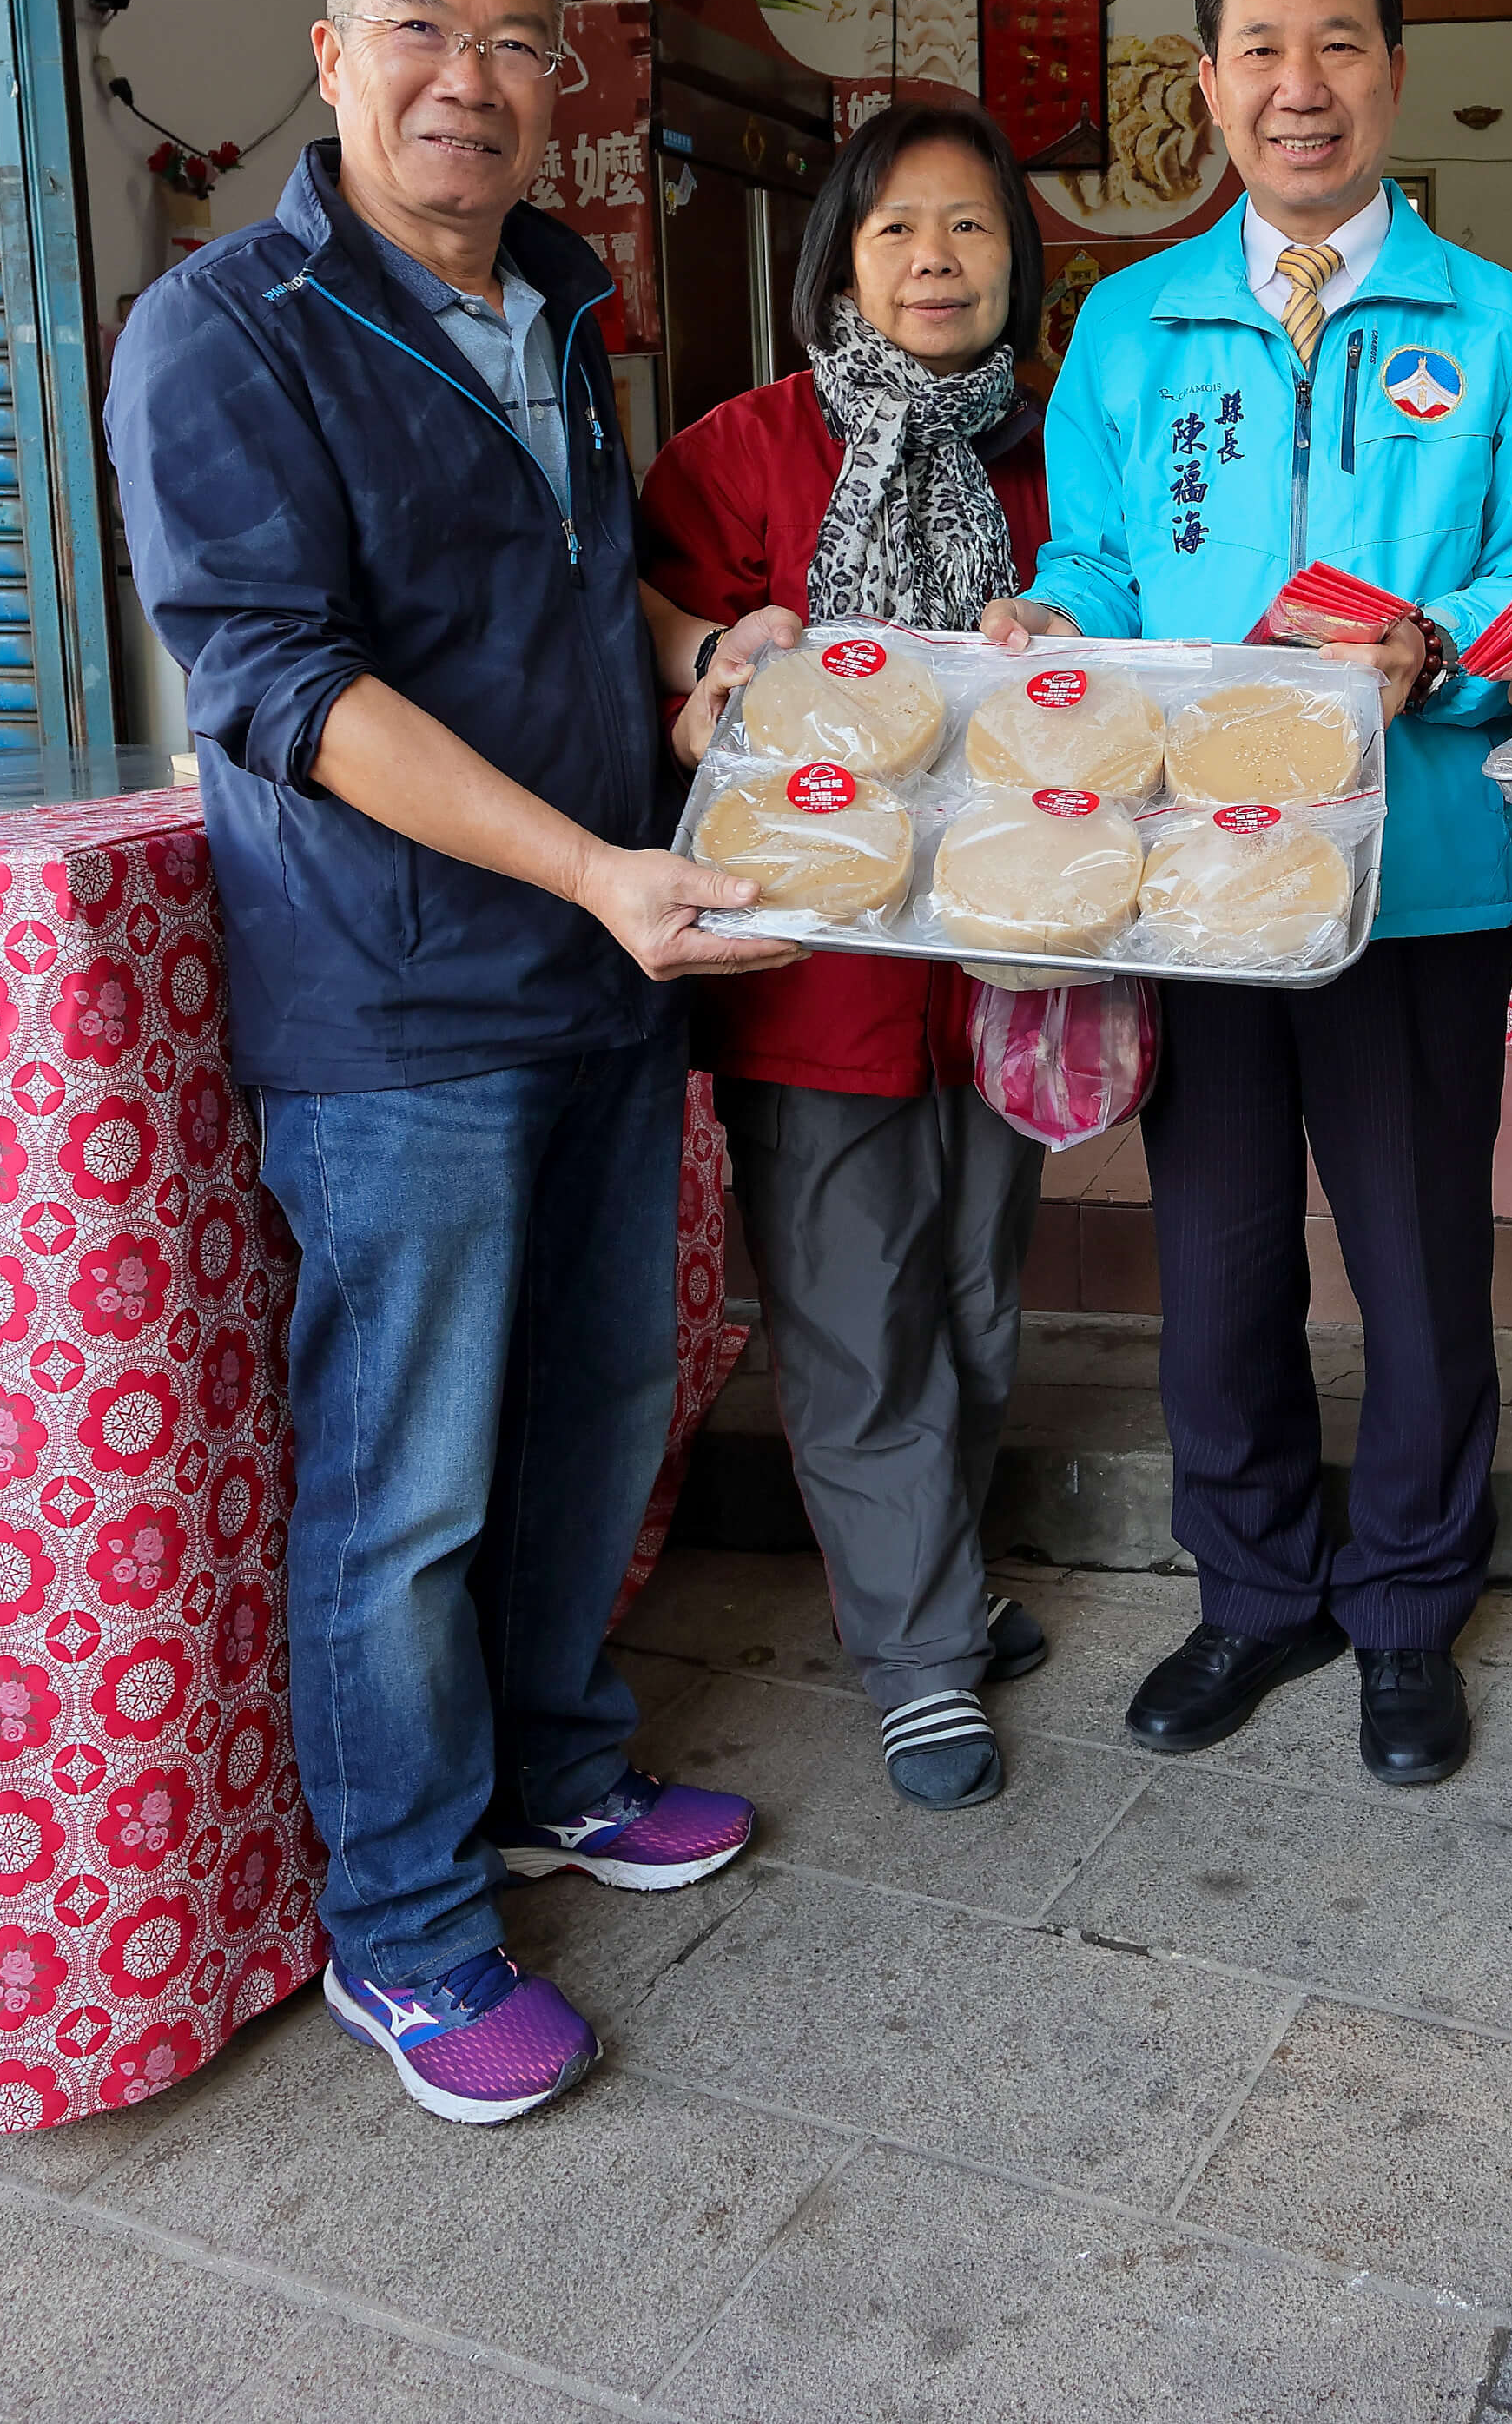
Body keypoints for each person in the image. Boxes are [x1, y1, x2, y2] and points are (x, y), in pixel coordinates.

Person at [107, 0, 782, 2127]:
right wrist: (600, 865)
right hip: (407, 1013)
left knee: (601, 1408)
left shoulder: (558, 305)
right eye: (418, 30)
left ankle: (556, 1770)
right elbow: (283, 685)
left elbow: (575, 610)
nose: (466, 84)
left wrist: (705, 659)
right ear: (329, 55)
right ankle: (401, 1924)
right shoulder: (226, 328)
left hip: (605, 976)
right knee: (403, 1488)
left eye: (512, 45)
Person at [990, 0, 1512, 1787]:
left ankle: (1406, 1604)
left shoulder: (1497, 323)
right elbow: (1090, 551)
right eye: (1259, 48)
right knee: (1221, 1253)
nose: (1298, 85)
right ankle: (1251, 1590)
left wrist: (1448, 646)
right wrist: (1050, 626)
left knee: (1417, 1257)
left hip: (1414, 877)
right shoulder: (1130, 324)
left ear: (1394, 77)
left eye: (1336, 45)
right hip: (1201, 881)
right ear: (1206, 84)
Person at [637, 101, 1064, 1812]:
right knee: (850, 1317)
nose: (934, 262)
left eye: (966, 229)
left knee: (970, 1298)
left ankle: (934, 1579)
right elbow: (663, 653)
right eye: (896, 230)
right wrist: (707, 661)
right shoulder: (737, 450)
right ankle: (913, 1654)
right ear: (840, 259)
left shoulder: (1058, 453)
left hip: (1002, 961)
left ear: (1015, 260)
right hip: (812, 975)